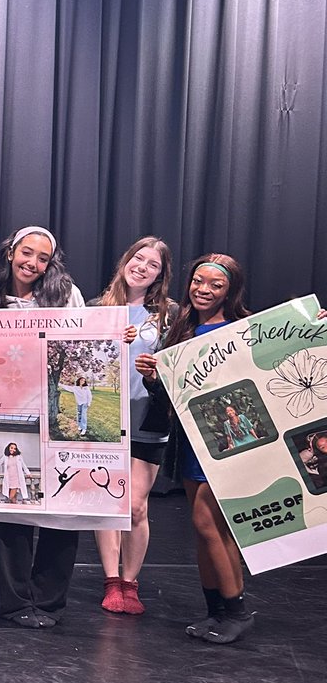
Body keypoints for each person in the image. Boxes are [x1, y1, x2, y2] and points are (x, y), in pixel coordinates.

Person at [136, 254, 257, 644]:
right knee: (207, 529)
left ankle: (237, 610)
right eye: (198, 281)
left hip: (230, 443)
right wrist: (153, 378)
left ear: (230, 291)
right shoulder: (183, 329)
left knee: (211, 524)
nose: (204, 290)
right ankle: (217, 610)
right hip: (190, 441)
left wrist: (312, 324)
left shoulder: (242, 329)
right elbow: (172, 395)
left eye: (215, 285)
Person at [0, 225, 85, 630]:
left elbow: (82, 343)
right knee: (11, 511)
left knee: (63, 505)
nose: (33, 263)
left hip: (53, 412)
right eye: (27, 253)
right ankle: (15, 601)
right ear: (11, 252)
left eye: (43, 258)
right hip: (7, 414)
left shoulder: (65, 296)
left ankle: (50, 599)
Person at [91, 237, 175, 614]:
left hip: (148, 422)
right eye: (138, 258)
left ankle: (130, 582)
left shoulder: (170, 314)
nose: (142, 266)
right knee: (107, 504)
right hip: (103, 419)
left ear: (160, 274)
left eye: (152, 264)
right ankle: (111, 582)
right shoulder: (96, 309)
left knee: (136, 507)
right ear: (126, 260)